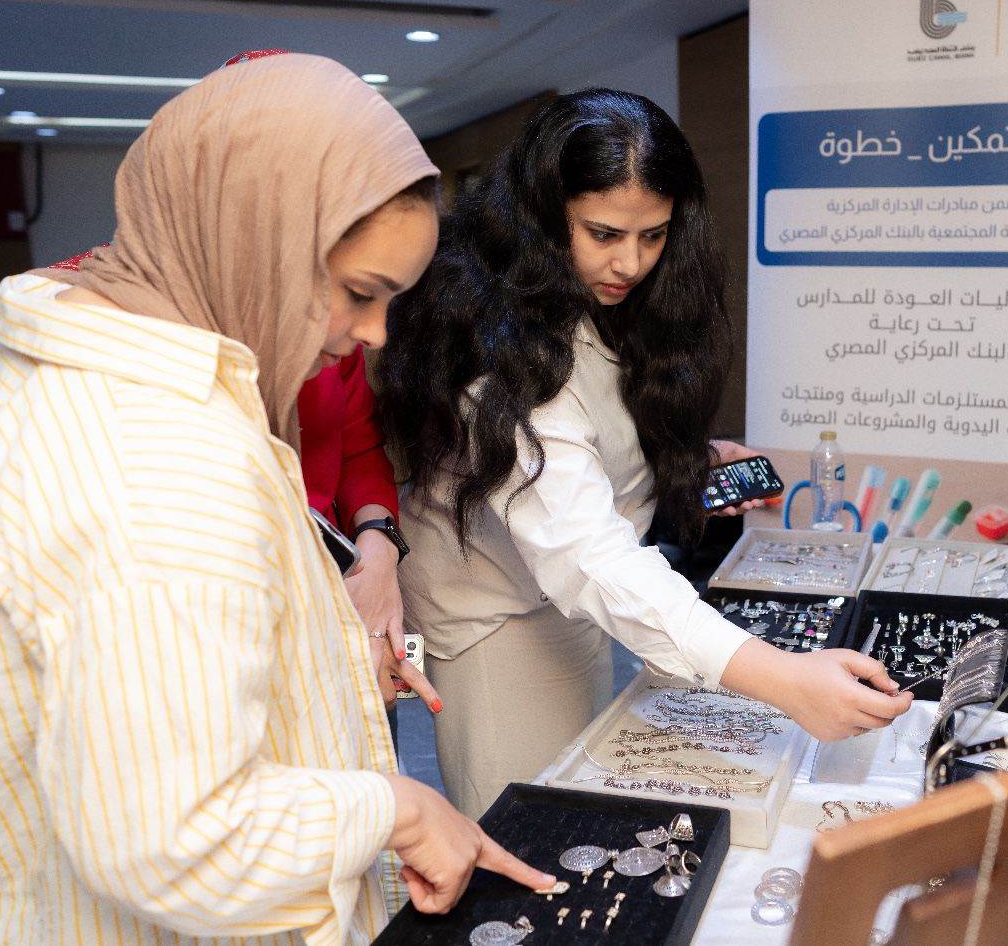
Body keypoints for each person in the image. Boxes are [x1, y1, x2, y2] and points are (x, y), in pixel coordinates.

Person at [0, 53, 551, 943]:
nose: (372, 335)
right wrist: (400, 810)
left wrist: (323, 646)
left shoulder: (31, 326)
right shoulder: (165, 450)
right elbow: (175, 838)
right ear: (256, 238)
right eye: (360, 294)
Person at [378, 88, 912, 817]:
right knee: (527, 835)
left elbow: (593, 439)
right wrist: (782, 680)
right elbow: (587, 552)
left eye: (653, 236)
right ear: (542, 217)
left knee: (581, 804)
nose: (629, 263)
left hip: (575, 609)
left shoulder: (606, 301)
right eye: (603, 233)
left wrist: (690, 460)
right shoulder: (497, 350)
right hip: (497, 624)